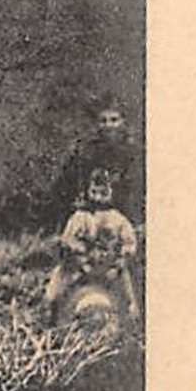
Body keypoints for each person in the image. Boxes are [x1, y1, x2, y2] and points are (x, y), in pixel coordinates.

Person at [45, 168, 140, 324]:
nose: (98, 198)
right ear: (88, 191)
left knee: (127, 288)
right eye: (94, 192)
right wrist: (80, 258)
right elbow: (68, 240)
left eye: (103, 193)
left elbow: (129, 244)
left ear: (111, 193)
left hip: (109, 266)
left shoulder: (118, 220)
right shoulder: (80, 217)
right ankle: (53, 317)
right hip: (81, 265)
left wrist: (118, 261)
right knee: (57, 288)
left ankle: (130, 316)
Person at [52, 96, 142, 225]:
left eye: (114, 120)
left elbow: (133, 188)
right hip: (91, 212)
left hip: (121, 213)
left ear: (123, 122)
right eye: (103, 121)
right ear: (97, 124)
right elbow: (71, 180)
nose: (109, 126)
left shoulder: (132, 153)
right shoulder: (87, 150)